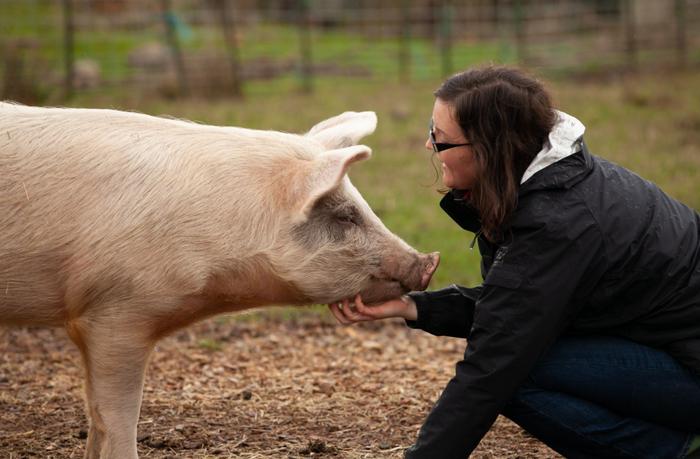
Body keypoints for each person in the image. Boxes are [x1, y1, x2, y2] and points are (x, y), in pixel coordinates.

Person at [328, 66, 700, 458]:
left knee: (520, 372)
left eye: (441, 139)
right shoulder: (553, 179)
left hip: (689, 365)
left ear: (488, 149)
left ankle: (673, 450)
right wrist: (415, 307)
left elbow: (496, 360)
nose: (428, 146)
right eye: (430, 130)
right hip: (669, 345)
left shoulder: (558, 222)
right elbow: (523, 304)